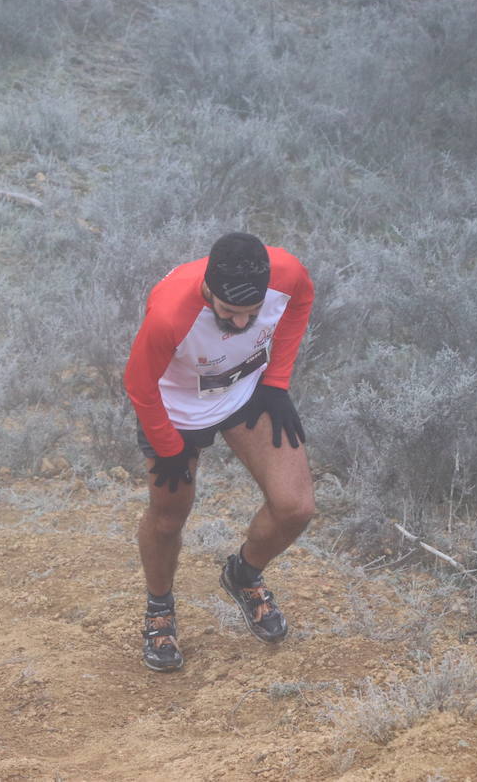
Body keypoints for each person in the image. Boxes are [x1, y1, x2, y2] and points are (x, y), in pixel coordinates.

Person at [123, 232, 315, 672]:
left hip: (244, 393)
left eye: (252, 313)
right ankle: (160, 609)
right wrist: (169, 447)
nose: (241, 323)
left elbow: (301, 302)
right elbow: (139, 385)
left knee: (295, 507)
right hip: (175, 410)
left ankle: (243, 575)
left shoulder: (287, 273)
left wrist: (277, 382)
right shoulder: (170, 313)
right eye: (229, 312)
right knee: (169, 516)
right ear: (209, 287)